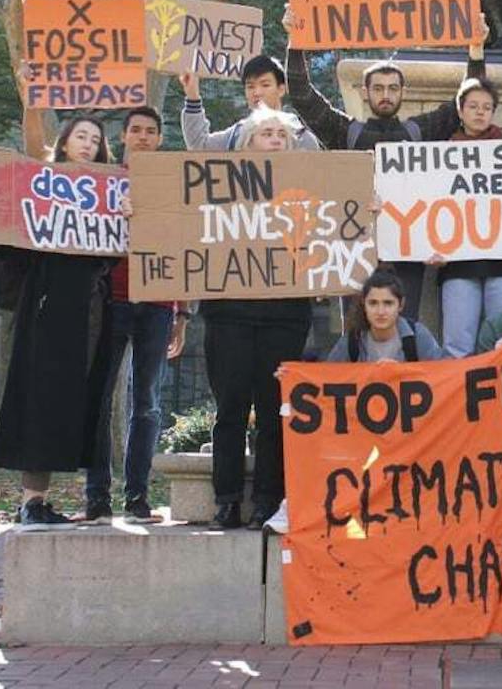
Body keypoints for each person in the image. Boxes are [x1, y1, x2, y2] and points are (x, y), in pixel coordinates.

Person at [284, 19, 488, 318]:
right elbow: (302, 96)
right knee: (355, 334)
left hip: (406, 254)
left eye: (393, 88)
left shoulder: (420, 131)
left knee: (404, 327)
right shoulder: (345, 132)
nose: (386, 94)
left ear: (402, 92)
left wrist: (476, 51)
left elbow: (466, 102)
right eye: (378, 88)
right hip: (355, 248)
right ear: (365, 92)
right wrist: (295, 40)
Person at [0, 115, 116, 526]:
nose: (88, 144)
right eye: (81, 136)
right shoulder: (37, 187)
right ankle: (32, 501)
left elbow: (114, 254)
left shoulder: (111, 192)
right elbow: (12, 250)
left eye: (95, 139)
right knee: (39, 402)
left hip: (89, 312)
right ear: (65, 142)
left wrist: (128, 217)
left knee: (78, 405)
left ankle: (48, 500)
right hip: (47, 310)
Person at [198, 107, 314, 533]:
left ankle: (268, 499)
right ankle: (226, 500)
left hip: (284, 316)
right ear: (248, 144)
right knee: (229, 410)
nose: (275, 141)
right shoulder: (216, 185)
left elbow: (337, 226)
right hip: (228, 313)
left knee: (273, 412)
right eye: (266, 134)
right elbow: (185, 225)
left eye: (281, 135)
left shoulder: (310, 187)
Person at [84, 107, 185, 522]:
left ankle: (137, 498)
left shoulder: (173, 184)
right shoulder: (101, 182)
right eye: (136, 130)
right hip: (111, 302)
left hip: (159, 304)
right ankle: (96, 497)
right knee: (100, 400)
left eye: (151, 131)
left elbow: (184, 247)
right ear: (124, 136)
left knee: (147, 403)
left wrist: (183, 314)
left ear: (159, 138)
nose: (144, 137)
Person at [432, 77, 502, 357]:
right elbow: (428, 205)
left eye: (487, 107)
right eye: (473, 106)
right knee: (457, 347)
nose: (480, 112)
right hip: (457, 264)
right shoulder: (438, 156)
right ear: (460, 111)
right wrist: (426, 244)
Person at [179, 55, 320, 150]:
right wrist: (192, 96)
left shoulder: (302, 138)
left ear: (281, 89)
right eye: (250, 86)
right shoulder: (236, 135)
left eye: (265, 85)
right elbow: (200, 147)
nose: (257, 92)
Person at [327, 270, 445, 362]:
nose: (380, 311)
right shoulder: (353, 340)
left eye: (388, 303)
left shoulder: (417, 335)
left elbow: (441, 374)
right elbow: (328, 377)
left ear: (401, 305)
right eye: (373, 303)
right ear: (364, 304)